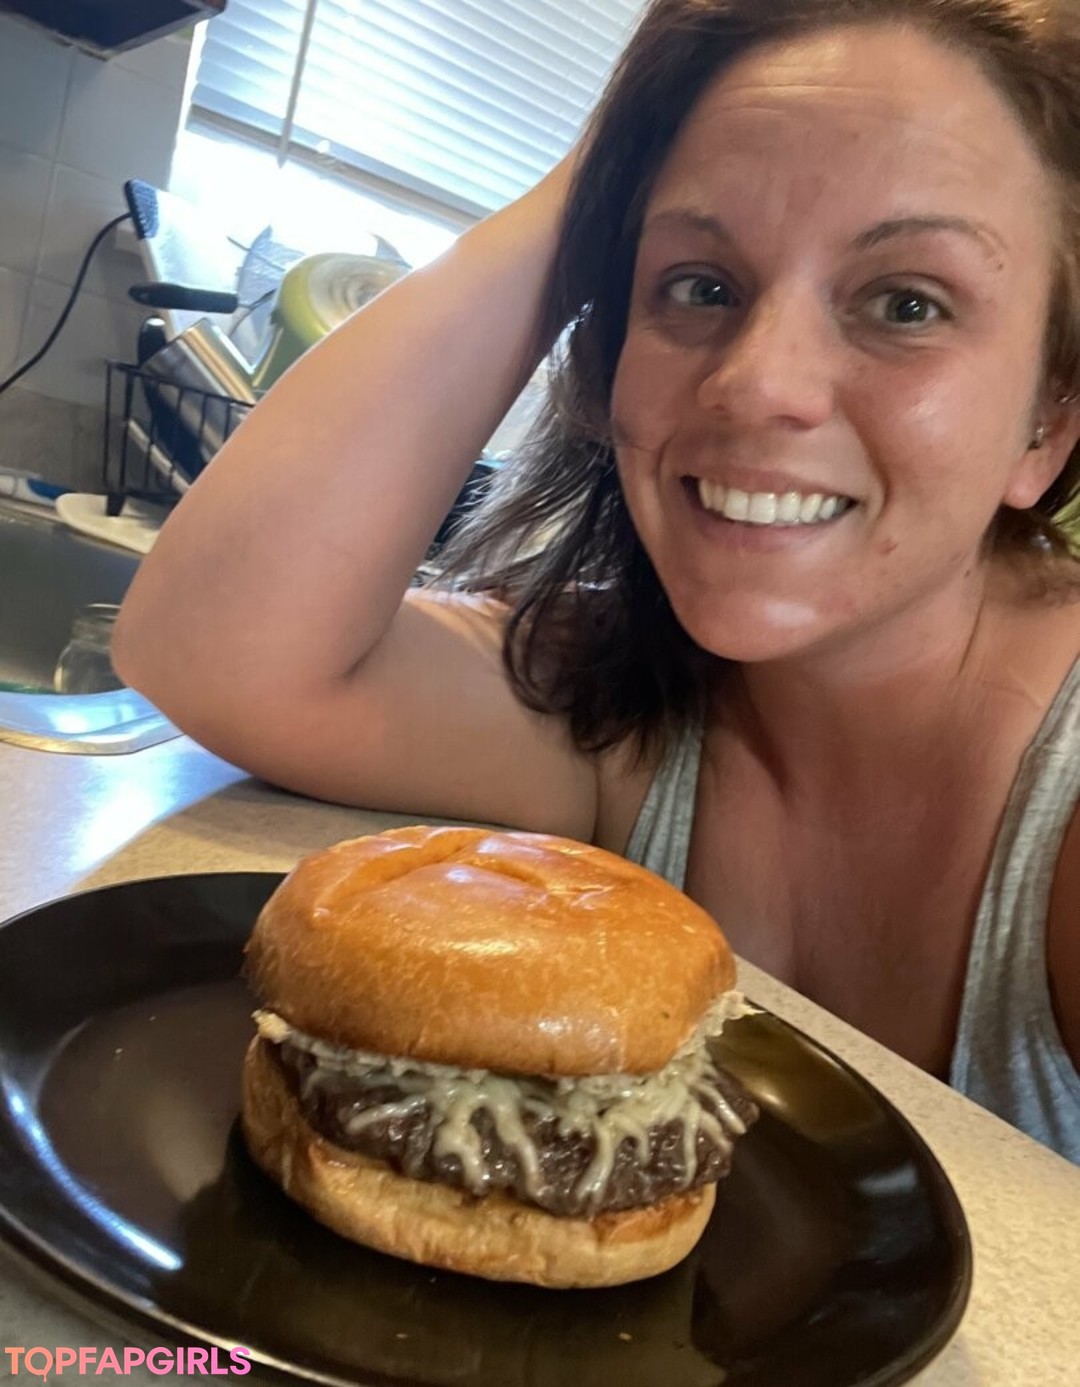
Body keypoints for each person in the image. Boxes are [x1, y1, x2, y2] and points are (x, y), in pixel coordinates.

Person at [113, 0, 1080, 1163]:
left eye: (906, 303)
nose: (756, 383)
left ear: (1049, 417)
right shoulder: (623, 711)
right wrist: (610, 162)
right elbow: (211, 648)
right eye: (700, 284)